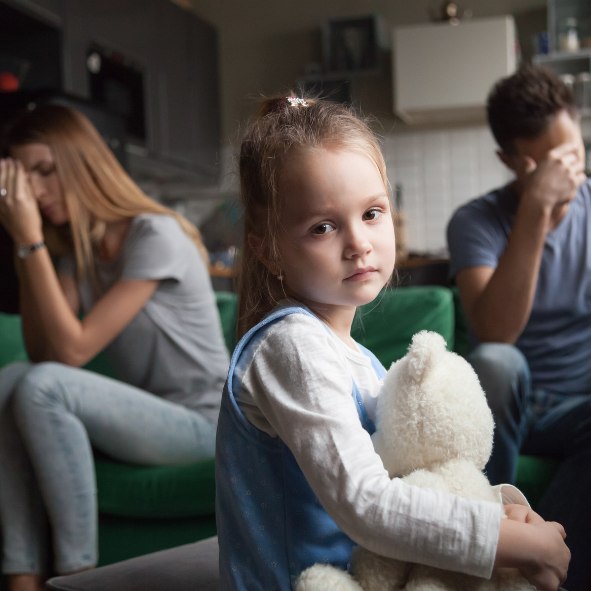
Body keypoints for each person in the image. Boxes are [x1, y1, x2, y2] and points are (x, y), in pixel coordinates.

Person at [215, 95, 570, 591]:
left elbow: (411, 480)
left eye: (372, 213)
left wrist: (503, 511)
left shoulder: (360, 361)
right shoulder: (290, 346)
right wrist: (508, 542)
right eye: (323, 226)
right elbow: (366, 502)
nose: (358, 242)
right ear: (269, 248)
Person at [0, 105, 229, 591]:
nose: (37, 191)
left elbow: (74, 350)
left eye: (45, 170)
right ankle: (21, 576)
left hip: (207, 421)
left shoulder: (153, 233)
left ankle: (77, 576)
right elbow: (45, 352)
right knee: (11, 378)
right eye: (26, 177)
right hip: (150, 419)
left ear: (82, 162)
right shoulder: (73, 253)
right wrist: (28, 251)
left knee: (40, 385)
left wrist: (30, 242)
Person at [447, 65, 590, 591]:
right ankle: (489, 549)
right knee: (495, 362)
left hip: (579, 407)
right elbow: (496, 331)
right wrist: (535, 209)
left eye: (573, 156)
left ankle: (541, 569)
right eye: (552, 165)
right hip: (509, 404)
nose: (568, 177)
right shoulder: (475, 221)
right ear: (510, 161)